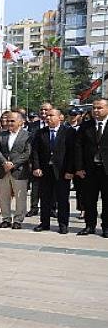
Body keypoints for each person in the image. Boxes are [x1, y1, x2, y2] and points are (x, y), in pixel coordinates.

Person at [31, 109, 76, 234]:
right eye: (47, 115)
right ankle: (44, 223)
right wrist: (36, 167)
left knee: (62, 199)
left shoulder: (68, 132)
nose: (48, 117)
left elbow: (72, 152)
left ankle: (63, 224)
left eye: (51, 115)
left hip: (62, 171)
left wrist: (70, 170)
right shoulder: (40, 133)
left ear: (60, 117)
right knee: (45, 198)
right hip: (45, 171)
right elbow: (35, 152)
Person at [75, 99, 108, 237]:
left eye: (99, 108)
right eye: (94, 108)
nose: (96, 110)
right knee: (89, 199)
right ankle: (90, 225)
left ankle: (106, 227)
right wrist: (79, 167)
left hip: (106, 169)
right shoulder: (85, 126)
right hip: (89, 169)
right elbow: (78, 148)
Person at [0, 112, 32, 229]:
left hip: (19, 171)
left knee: (20, 197)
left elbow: (27, 153)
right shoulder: (1, 135)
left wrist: (13, 164)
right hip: (3, 170)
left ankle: (18, 220)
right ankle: (6, 219)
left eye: (12, 121)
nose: (9, 123)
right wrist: (4, 162)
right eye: (8, 121)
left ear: (20, 122)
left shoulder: (27, 136)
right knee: (4, 196)